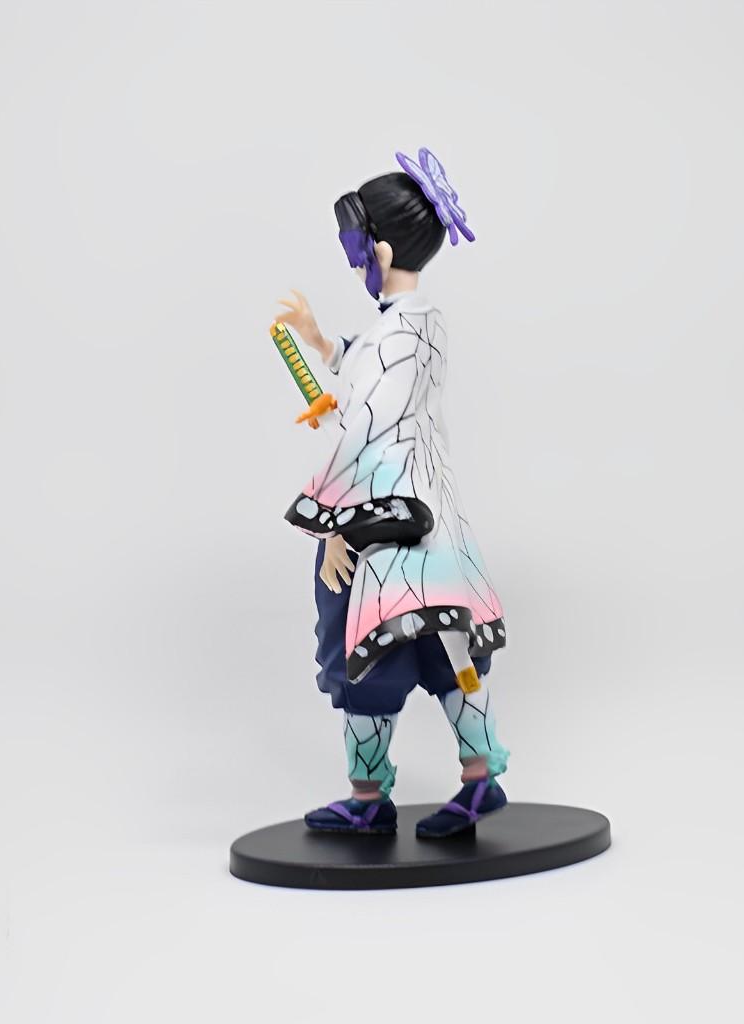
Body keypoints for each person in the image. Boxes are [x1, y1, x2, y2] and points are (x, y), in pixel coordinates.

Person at [275, 148, 510, 838]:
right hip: (433, 515)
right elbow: (371, 376)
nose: (355, 263)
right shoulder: (419, 321)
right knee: (450, 649)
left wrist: (333, 529)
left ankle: (375, 793)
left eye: (356, 249)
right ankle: (472, 777)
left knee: (370, 657)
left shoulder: (395, 337)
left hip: (387, 524)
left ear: (377, 249)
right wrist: (322, 344)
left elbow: (364, 431)